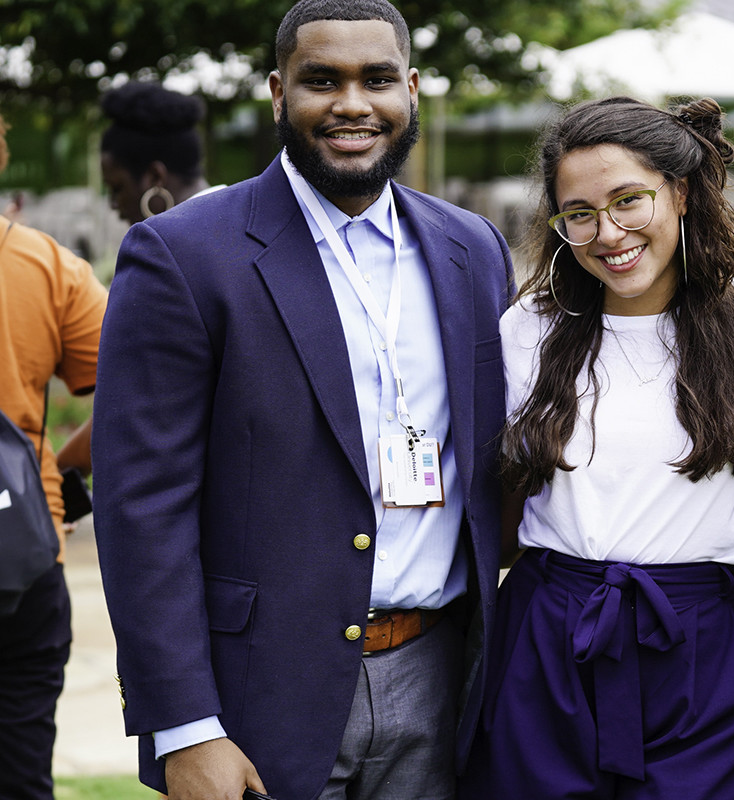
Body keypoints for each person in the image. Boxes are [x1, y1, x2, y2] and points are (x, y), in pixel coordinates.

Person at [92, 1, 513, 798]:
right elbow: (142, 507)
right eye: (322, 80)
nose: (352, 104)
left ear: (413, 91)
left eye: (377, 79)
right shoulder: (183, 255)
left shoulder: (472, 248)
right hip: (257, 701)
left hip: (441, 675)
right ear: (279, 93)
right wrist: (186, 726)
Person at [459, 96, 734, 800]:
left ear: (679, 191)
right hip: (552, 634)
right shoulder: (530, 330)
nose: (606, 233)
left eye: (627, 201)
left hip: (703, 640)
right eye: (579, 213)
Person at [0, 111, 109, 800]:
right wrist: (63, 481)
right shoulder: (43, 264)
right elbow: (138, 396)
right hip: (21, 551)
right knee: (19, 771)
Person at [100, 81, 223, 225]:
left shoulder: (178, 243)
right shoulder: (241, 218)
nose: (113, 205)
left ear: (155, 177)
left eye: (117, 188)